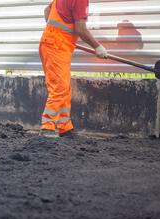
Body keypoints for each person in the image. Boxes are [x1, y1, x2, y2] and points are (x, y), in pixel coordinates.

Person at [39, 0, 108, 138]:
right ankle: (47, 128)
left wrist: (57, 33)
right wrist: (97, 46)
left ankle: (64, 127)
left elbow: (47, 11)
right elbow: (80, 29)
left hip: (53, 43)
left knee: (64, 88)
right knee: (59, 88)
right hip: (56, 46)